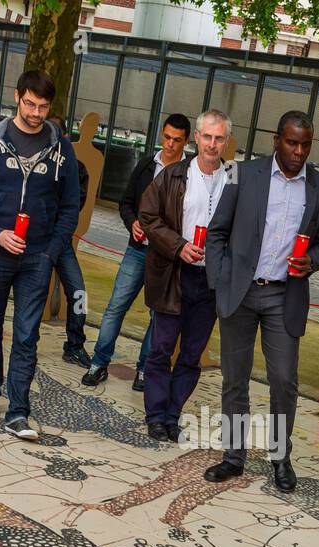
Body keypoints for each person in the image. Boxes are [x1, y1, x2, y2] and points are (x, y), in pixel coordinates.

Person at [204, 110, 319, 493]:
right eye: (292, 143)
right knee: (234, 380)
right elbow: (217, 232)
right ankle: (233, 457)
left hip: (285, 296)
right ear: (276, 140)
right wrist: (219, 281)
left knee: (283, 381)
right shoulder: (240, 173)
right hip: (240, 293)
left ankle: (281, 459)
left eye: (305, 145)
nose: (299, 152)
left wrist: (312, 261)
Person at [0, 69, 78, 440]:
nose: (35, 112)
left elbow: (70, 206)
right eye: (30, 104)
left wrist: (50, 252)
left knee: (27, 334)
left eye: (43, 106)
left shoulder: (62, 149)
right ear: (17, 97)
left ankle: (18, 411)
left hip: (37, 258)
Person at [137, 108, 231, 441]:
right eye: (207, 136)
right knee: (161, 349)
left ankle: (173, 414)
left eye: (219, 138)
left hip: (209, 283)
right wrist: (178, 246)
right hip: (173, 276)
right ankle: (155, 415)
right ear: (197, 138)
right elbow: (148, 216)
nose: (212, 144)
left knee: (191, 355)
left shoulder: (234, 181)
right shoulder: (173, 175)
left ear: (226, 141)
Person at [81, 114, 190, 391]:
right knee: (115, 306)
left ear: (186, 141)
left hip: (166, 259)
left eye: (177, 140)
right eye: (166, 137)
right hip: (137, 251)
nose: (170, 144)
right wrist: (132, 223)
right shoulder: (145, 166)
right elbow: (126, 203)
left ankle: (144, 370)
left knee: (157, 316)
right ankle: (98, 363)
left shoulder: (191, 175)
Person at [46, 114, 92, 369]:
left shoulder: (77, 168)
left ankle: (75, 345)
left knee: (79, 292)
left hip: (61, 242)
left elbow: (74, 206)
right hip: (34, 240)